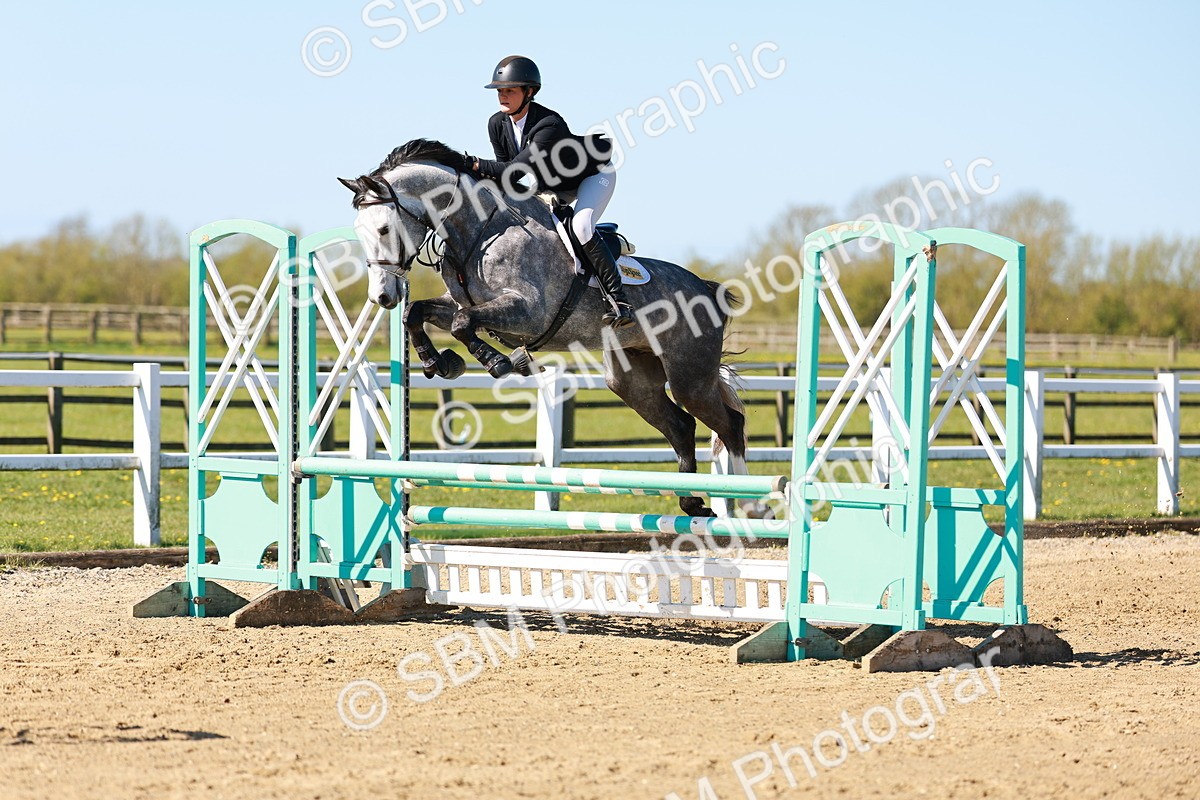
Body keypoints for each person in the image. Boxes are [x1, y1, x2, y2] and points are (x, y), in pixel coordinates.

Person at [465, 55, 635, 329]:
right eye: (500, 90)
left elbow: (515, 169)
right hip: (551, 185)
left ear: (529, 92)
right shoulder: (497, 123)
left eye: (510, 90)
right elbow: (505, 173)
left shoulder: (549, 125)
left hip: (592, 176)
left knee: (580, 226)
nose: (502, 96)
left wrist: (473, 164)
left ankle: (619, 300)